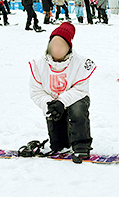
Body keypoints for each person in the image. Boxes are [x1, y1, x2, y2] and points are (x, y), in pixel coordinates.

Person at [29, 23, 95, 163]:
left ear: (69, 48)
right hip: (53, 105)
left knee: (77, 108)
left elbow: (80, 90)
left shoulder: (80, 63)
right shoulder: (38, 65)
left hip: (75, 101)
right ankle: (63, 138)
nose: (57, 49)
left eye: (62, 45)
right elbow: (36, 92)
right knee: (58, 145)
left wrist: (62, 101)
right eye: (54, 44)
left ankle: (81, 145)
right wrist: (49, 105)